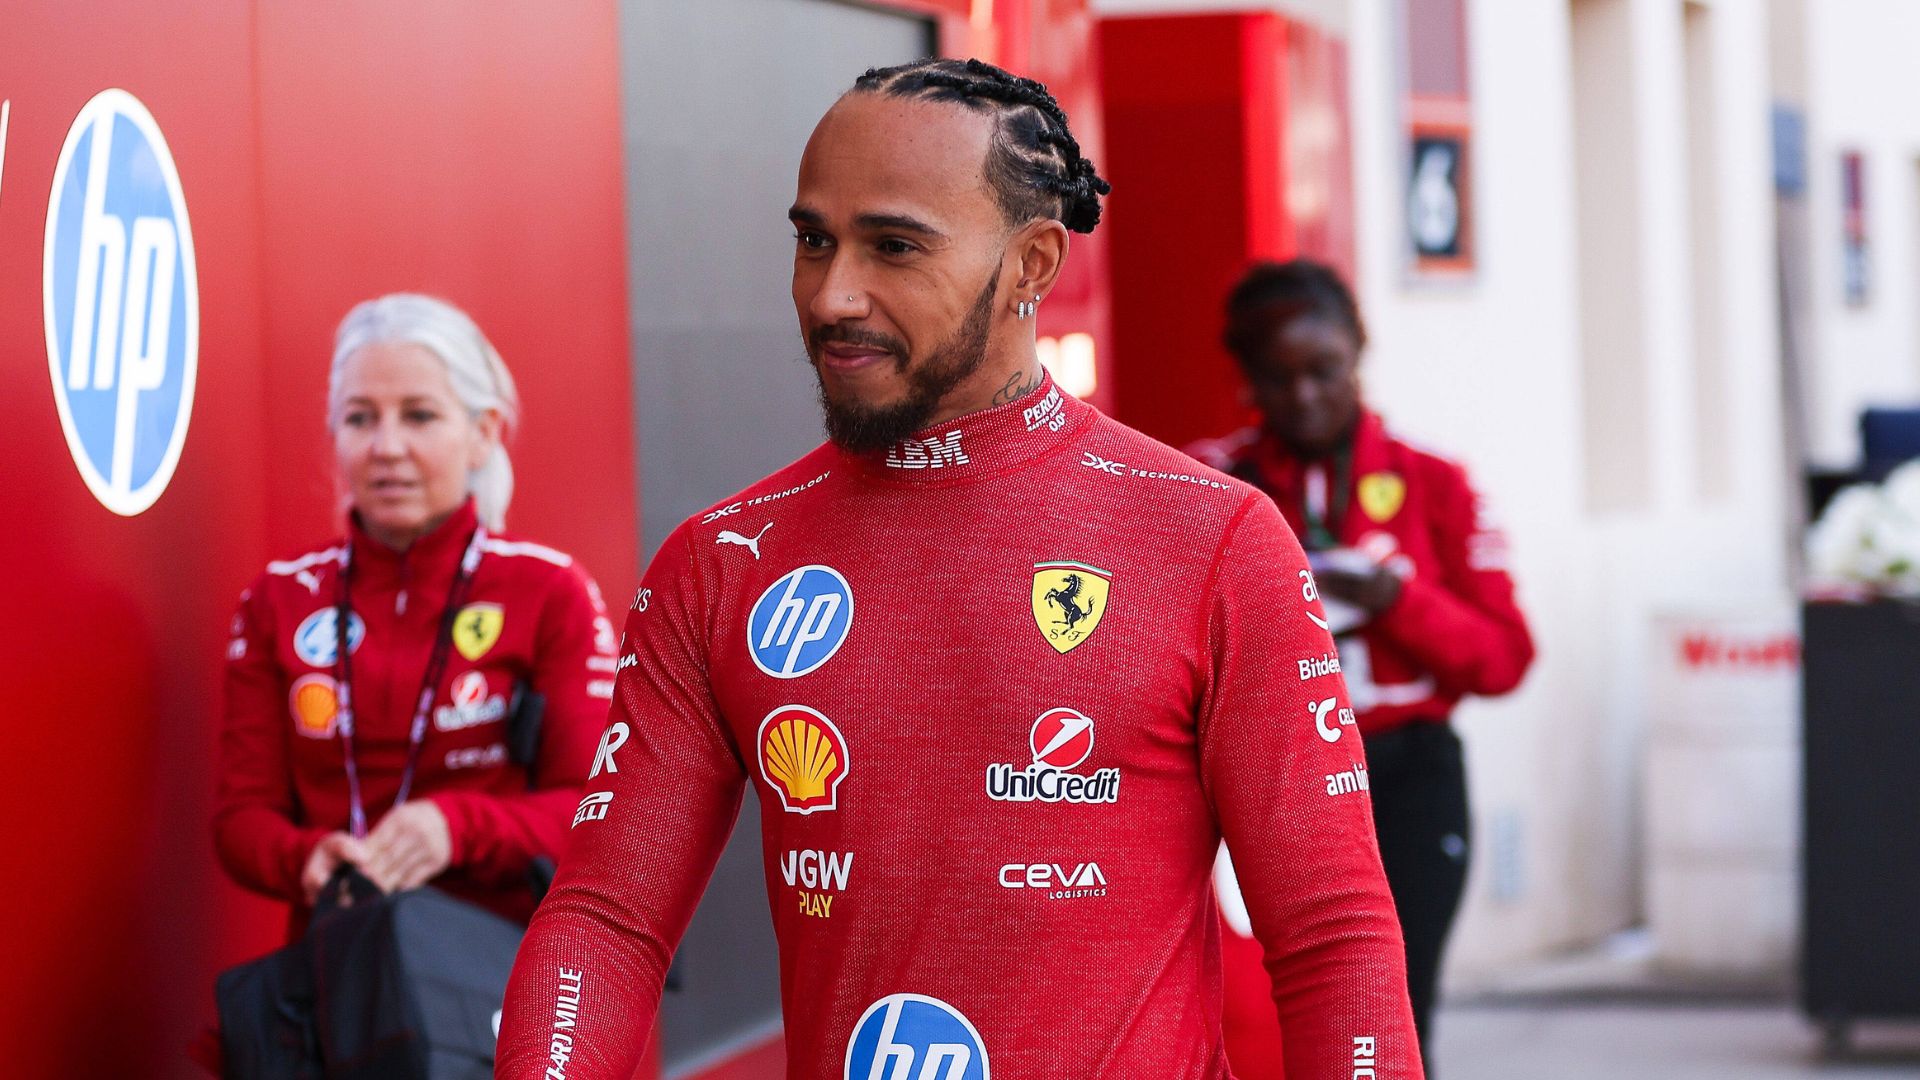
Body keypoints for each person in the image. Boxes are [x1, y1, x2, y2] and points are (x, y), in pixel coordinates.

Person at [497, 59, 1421, 1079]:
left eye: (893, 246)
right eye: (813, 241)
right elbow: (603, 921)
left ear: (1031, 264)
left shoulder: (1214, 539)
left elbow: (1332, 940)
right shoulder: (720, 561)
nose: (832, 294)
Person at [1189, 259, 1536, 1072]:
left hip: (1409, 777)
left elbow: (1505, 657)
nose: (1304, 397)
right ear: (1247, 380)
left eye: (1323, 371)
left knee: (1398, 1020)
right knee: (1261, 1018)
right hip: (1263, 783)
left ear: (1359, 352)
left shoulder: (1434, 484)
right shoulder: (1208, 482)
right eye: (1278, 379)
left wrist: (1392, 599)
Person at [214, 293, 619, 930]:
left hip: (504, 980)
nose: (387, 446)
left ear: (482, 434)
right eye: (360, 418)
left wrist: (455, 829)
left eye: (420, 415)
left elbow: (602, 814)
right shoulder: (279, 598)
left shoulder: (549, 591)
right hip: (339, 978)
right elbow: (241, 820)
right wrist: (307, 858)